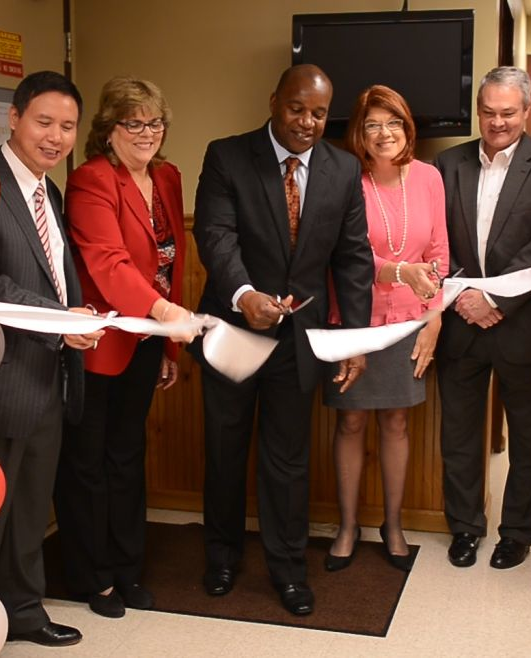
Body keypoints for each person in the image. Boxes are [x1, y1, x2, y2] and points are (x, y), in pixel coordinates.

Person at [191, 64, 374, 616]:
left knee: (287, 461)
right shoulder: (228, 155)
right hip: (233, 332)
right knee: (226, 453)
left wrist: (355, 341)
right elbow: (215, 234)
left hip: (298, 340)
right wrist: (244, 293)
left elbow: (353, 257)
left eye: (319, 113)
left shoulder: (342, 169)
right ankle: (221, 557)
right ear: (274, 102)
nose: (308, 122)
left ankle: (289, 570)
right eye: (298, 109)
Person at [54, 76, 196, 619]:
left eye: (154, 122)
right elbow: (107, 263)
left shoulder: (167, 177)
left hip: (147, 343)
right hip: (100, 341)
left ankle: (128, 567)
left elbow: (171, 262)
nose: (145, 133)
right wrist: (163, 316)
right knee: (87, 464)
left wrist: (166, 346)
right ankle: (94, 578)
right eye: (132, 123)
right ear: (108, 130)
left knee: (127, 455)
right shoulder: (92, 180)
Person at [0, 70, 103, 648]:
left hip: (48, 376)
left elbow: (49, 274)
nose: (55, 137)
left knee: (29, 510)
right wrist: (60, 322)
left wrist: (78, 314)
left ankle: (23, 612)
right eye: (44, 122)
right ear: (15, 118)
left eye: (68, 126)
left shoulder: (47, 188)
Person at [433, 66, 531, 570]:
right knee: (460, 436)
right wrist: (467, 295)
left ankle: (518, 532)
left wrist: (497, 300)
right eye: (487, 112)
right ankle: (465, 527)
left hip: (526, 326)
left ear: (526, 112)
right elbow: (436, 238)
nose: (496, 123)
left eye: (507, 113)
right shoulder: (448, 163)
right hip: (460, 323)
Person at [323, 85, 449, 574]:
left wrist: (433, 317)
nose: (384, 133)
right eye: (373, 124)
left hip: (408, 323)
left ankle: (392, 525)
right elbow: (343, 255)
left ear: (407, 128)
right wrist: (399, 271)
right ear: (359, 131)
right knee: (350, 422)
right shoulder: (343, 178)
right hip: (351, 318)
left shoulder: (430, 179)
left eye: (393, 123)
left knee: (397, 422)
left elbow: (438, 252)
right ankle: (347, 526)